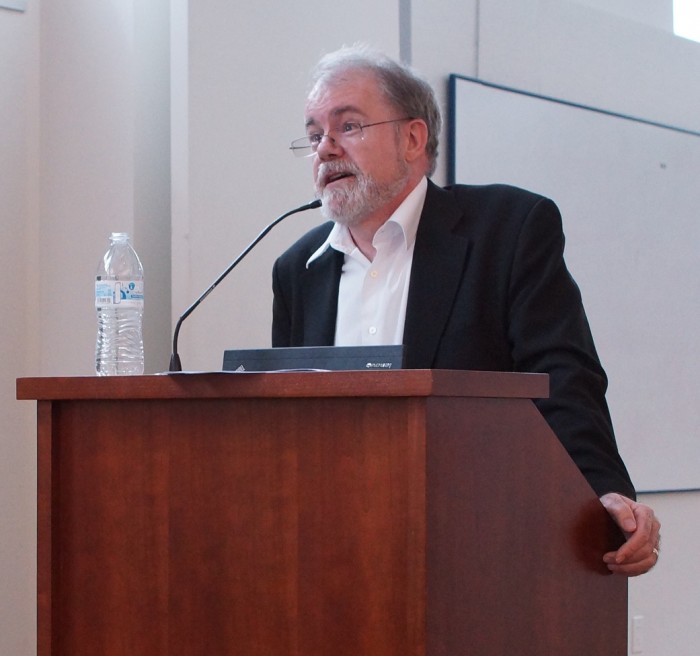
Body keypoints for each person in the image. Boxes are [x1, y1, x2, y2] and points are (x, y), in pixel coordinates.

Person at [272, 44, 660, 576]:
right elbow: (287, 422)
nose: (325, 150)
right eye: (315, 134)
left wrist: (602, 495)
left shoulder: (506, 229)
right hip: (337, 553)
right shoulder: (298, 270)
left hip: (479, 545)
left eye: (349, 126)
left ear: (412, 138)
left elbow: (561, 379)